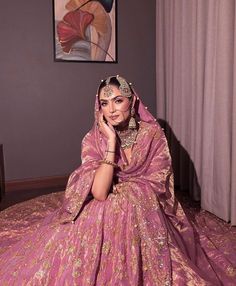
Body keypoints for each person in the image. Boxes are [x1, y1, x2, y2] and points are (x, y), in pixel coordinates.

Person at [0, 75, 235, 285]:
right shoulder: (94, 139)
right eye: (104, 103)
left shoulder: (152, 135)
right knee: (102, 212)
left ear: (132, 102)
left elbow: (157, 184)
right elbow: (100, 192)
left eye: (118, 100)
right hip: (106, 206)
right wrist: (111, 142)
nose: (111, 110)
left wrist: (126, 193)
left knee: (125, 204)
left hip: (146, 210)